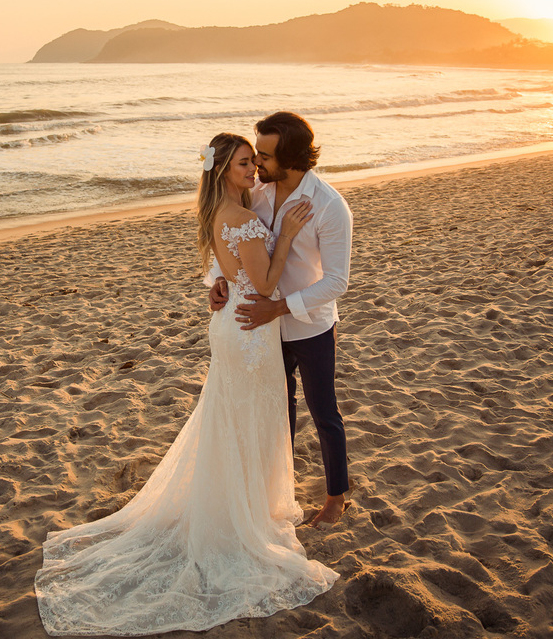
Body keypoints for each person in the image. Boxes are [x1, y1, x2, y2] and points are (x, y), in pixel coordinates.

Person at [35, 132, 338, 636]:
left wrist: (223, 282)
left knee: (235, 418)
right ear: (222, 171)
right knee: (245, 419)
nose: (252, 170)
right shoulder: (240, 217)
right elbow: (263, 287)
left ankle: (243, 504)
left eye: (253, 162)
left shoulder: (221, 213)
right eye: (243, 164)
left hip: (237, 328)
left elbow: (225, 272)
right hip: (250, 331)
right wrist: (283, 238)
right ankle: (241, 516)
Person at [208, 111, 353, 528]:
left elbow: (337, 281)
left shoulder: (328, 206)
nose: (256, 164)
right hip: (263, 328)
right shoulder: (258, 194)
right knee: (278, 413)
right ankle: (278, 494)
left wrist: (282, 306)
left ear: (289, 158)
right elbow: (232, 246)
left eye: (264, 156)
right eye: (253, 156)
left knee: (324, 413)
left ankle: (335, 499)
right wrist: (216, 280)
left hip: (309, 325)